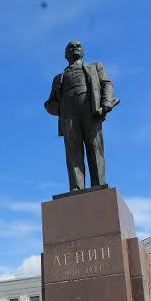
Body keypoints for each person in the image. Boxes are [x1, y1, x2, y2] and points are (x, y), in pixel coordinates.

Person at [44, 41, 119, 192]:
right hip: (68, 115)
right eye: (71, 47)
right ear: (66, 55)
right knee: (73, 152)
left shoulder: (95, 67)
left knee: (95, 147)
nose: (75, 48)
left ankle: (98, 185)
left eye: (78, 46)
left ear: (83, 52)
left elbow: (106, 84)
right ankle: (76, 187)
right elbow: (49, 103)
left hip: (90, 111)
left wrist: (107, 101)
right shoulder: (58, 78)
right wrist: (61, 109)